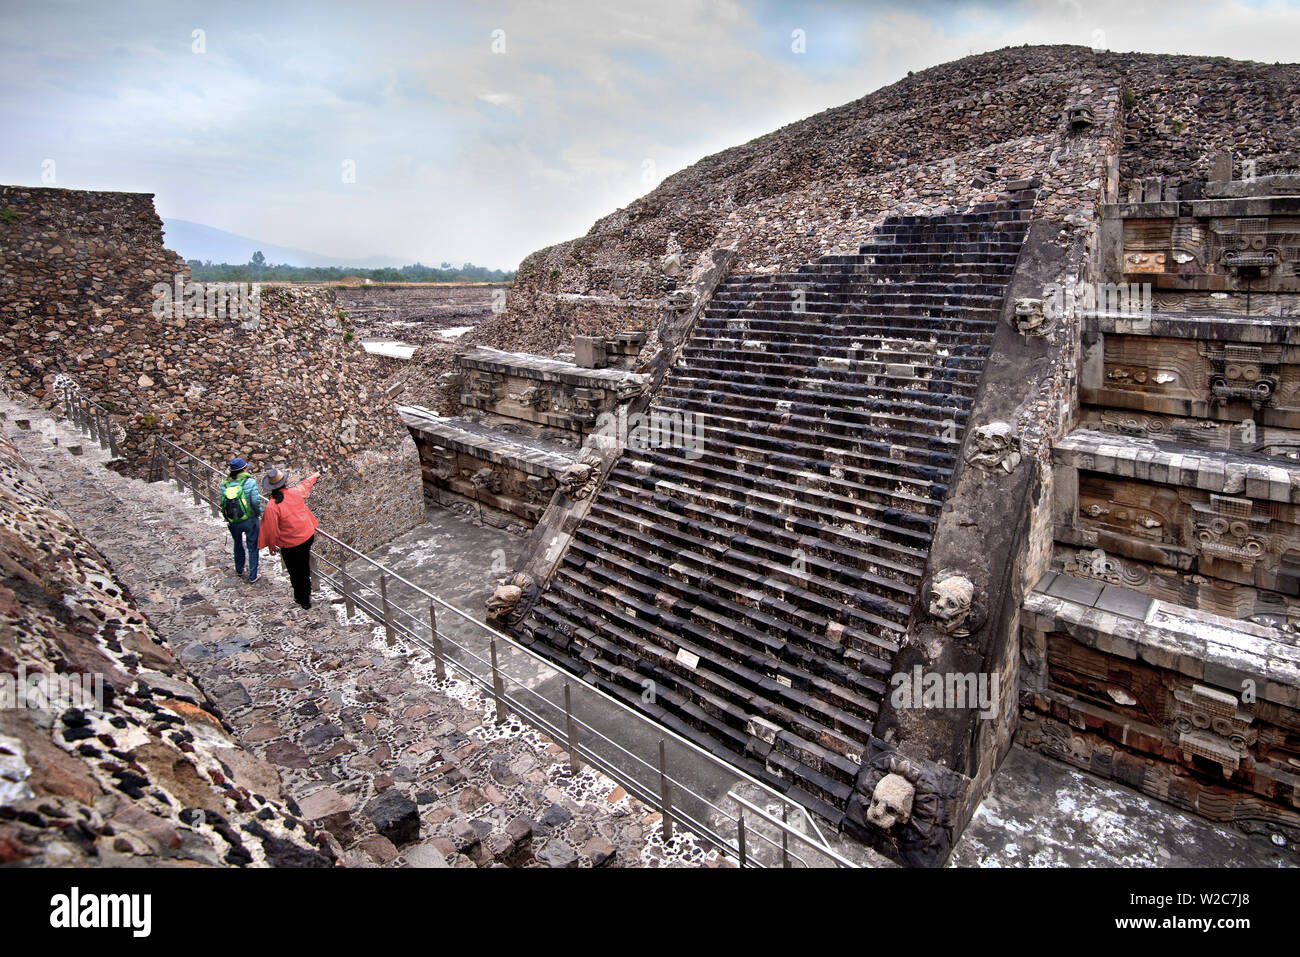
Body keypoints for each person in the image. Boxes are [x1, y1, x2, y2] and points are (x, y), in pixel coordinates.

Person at [257, 467, 320, 609]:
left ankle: (303, 599)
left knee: (295, 572)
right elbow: (304, 485)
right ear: (285, 483)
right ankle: (306, 595)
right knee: (303, 568)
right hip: (306, 536)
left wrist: (271, 546)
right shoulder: (295, 493)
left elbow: (271, 528)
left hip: (290, 544)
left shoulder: (272, 506)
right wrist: (315, 475)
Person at [220, 457, 263, 582]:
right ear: (244, 469)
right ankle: (253, 575)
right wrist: (258, 513)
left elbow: (222, 503)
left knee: (237, 544)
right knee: (252, 546)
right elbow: (255, 501)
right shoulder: (249, 482)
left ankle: (239, 569)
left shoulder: (225, 484)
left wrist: (227, 517)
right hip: (249, 519)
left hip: (233, 520)